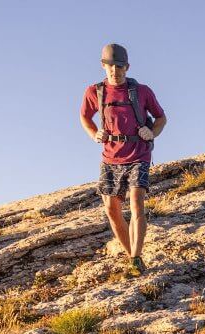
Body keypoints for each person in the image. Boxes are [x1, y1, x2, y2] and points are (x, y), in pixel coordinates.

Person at [78, 43, 166, 276]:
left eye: (119, 67)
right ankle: (131, 255)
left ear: (127, 67)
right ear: (103, 66)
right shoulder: (94, 92)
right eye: (110, 66)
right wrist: (94, 133)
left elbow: (160, 118)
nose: (114, 71)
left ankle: (136, 258)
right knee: (111, 209)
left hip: (138, 153)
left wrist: (152, 132)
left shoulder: (142, 91)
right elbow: (85, 117)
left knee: (136, 202)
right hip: (110, 157)